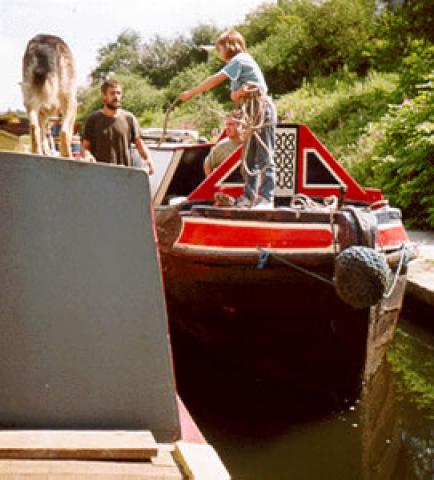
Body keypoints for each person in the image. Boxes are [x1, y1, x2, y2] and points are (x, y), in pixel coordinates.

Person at [179, 29, 276, 208]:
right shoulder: (238, 64)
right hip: (250, 115)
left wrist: (191, 93)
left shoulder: (239, 60)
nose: (219, 52)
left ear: (230, 46)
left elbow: (216, 79)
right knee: (249, 157)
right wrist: (239, 93)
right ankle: (249, 197)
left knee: (264, 155)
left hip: (261, 110)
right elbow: (233, 95)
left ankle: (267, 198)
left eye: (220, 48)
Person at [81, 79, 154, 174]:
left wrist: (148, 160)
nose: (116, 96)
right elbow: (85, 147)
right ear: (104, 96)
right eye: (112, 93)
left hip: (124, 175)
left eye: (118, 93)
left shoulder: (129, 118)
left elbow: (139, 143)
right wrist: (87, 156)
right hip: (99, 175)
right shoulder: (93, 119)